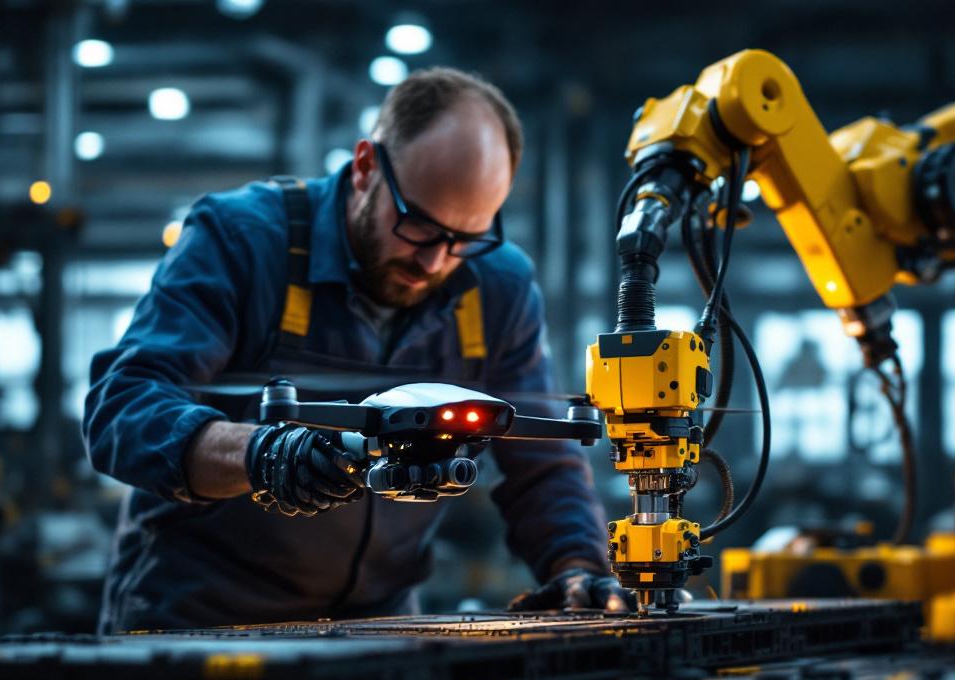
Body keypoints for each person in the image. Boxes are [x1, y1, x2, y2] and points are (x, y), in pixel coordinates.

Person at [84, 67, 630, 633]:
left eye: (465, 238)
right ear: (367, 166)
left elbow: (541, 466)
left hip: (377, 626)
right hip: (197, 620)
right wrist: (265, 455)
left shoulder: (498, 286)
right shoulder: (243, 239)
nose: (434, 262)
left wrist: (577, 569)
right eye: (419, 225)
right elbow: (123, 409)